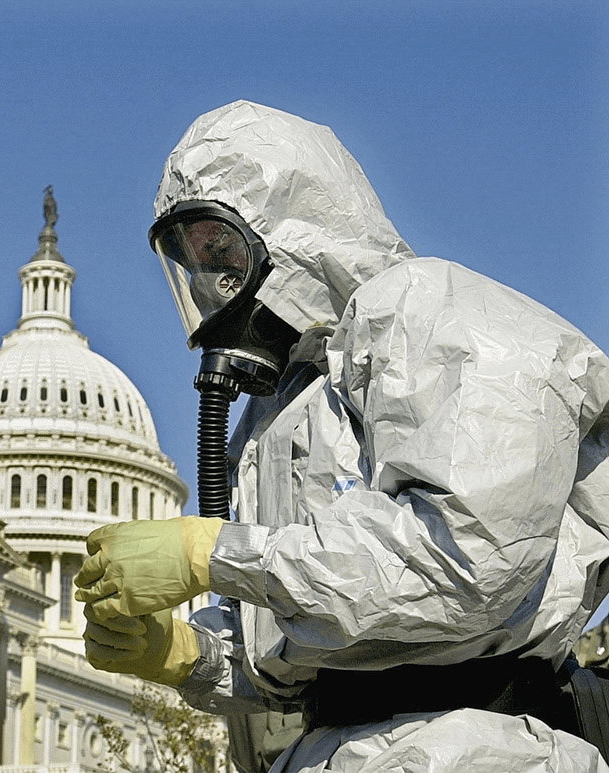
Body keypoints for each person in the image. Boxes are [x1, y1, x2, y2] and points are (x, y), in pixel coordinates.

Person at [76, 100, 609, 772]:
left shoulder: (430, 311)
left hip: (472, 747)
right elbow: (304, 636)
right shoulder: (280, 413)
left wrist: (214, 553)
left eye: (222, 251)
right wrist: (185, 652)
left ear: (291, 229)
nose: (212, 284)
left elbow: (463, 560)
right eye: (193, 263)